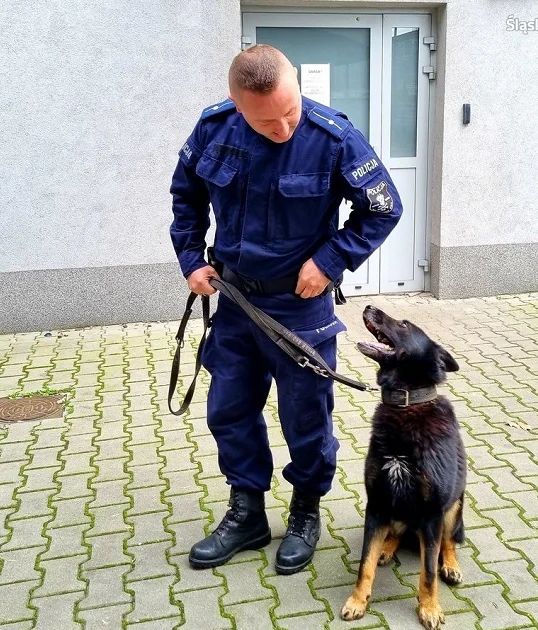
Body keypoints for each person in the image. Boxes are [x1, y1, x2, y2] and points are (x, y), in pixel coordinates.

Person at [168, 44, 403, 574]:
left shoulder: (332, 136)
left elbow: (383, 207)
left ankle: (304, 512)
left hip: (301, 309)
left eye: (290, 111)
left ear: (296, 83)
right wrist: (190, 259)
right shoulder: (214, 129)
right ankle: (247, 512)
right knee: (229, 409)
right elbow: (187, 197)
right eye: (267, 121)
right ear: (236, 103)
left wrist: (330, 260)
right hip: (234, 302)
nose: (283, 128)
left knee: (306, 419)